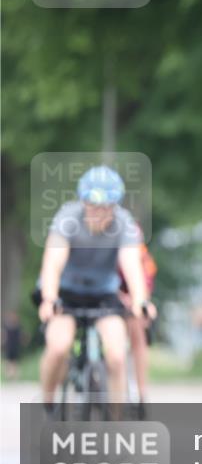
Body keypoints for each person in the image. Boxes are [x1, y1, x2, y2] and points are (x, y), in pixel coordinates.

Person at [36, 165, 156, 417]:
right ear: (83, 201)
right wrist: (48, 298)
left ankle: (116, 421)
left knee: (116, 355)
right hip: (66, 292)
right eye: (93, 205)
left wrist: (140, 301)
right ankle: (47, 400)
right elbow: (53, 262)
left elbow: (132, 265)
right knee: (59, 346)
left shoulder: (124, 223)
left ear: (115, 205)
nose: (99, 213)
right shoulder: (67, 218)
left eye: (106, 207)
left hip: (103, 295)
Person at [117, 227, 157, 417]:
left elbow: (144, 286)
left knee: (138, 329)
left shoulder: (144, 259)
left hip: (131, 300)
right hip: (107, 298)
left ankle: (141, 393)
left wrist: (142, 304)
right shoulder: (109, 253)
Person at [2, 311, 22, 380]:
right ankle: (9, 375)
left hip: (14, 347)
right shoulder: (6, 327)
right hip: (8, 347)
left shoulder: (17, 327)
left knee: (14, 362)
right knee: (8, 362)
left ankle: (13, 375)